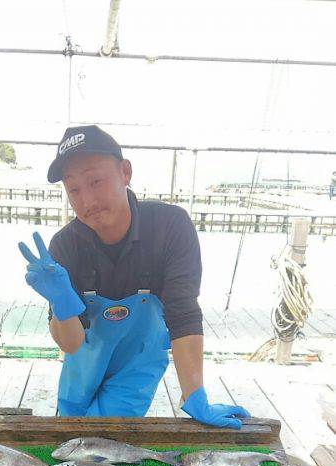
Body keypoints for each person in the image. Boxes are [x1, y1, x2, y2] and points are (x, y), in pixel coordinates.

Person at [19, 125, 249, 427]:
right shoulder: (64, 245)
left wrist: (194, 394)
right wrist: (61, 304)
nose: (87, 201)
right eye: (73, 189)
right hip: (83, 362)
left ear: (125, 172)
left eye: (96, 181)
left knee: (106, 436)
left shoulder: (170, 227)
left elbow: (183, 314)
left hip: (137, 364)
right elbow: (71, 344)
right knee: (70, 441)